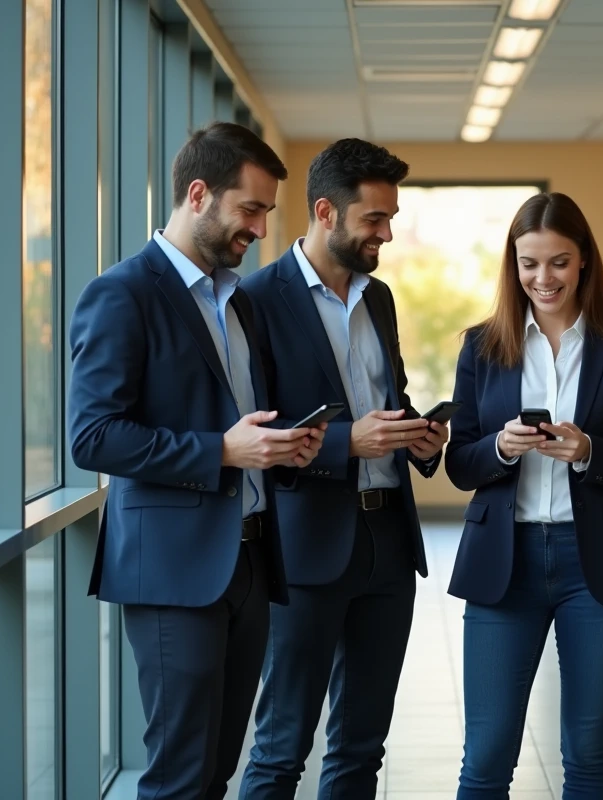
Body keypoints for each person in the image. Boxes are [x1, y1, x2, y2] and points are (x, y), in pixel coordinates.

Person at [69, 122, 324, 800]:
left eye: (268, 212)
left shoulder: (237, 301)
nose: (262, 229)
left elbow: (243, 421)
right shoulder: (122, 294)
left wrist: (281, 448)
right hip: (171, 574)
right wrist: (222, 451)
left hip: (247, 560)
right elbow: (93, 437)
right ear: (199, 194)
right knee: (180, 776)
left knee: (215, 772)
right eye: (252, 209)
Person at [237, 138, 448, 800]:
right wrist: (343, 444)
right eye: (375, 221)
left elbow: (387, 401)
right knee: (281, 745)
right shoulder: (255, 300)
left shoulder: (378, 299)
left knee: (361, 747)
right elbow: (257, 433)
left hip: (388, 546)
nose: (387, 234)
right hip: (305, 551)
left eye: (390, 218)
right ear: (326, 212)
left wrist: (419, 433)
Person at [445, 192, 603, 799]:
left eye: (559, 263)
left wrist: (590, 452)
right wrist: (501, 447)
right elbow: (458, 464)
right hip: (503, 564)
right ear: (513, 266)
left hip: (594, 565)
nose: (543, 279)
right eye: (529, 264)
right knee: (487, 754)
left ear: (585, 262)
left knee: (589, 750)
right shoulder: (482, 348)